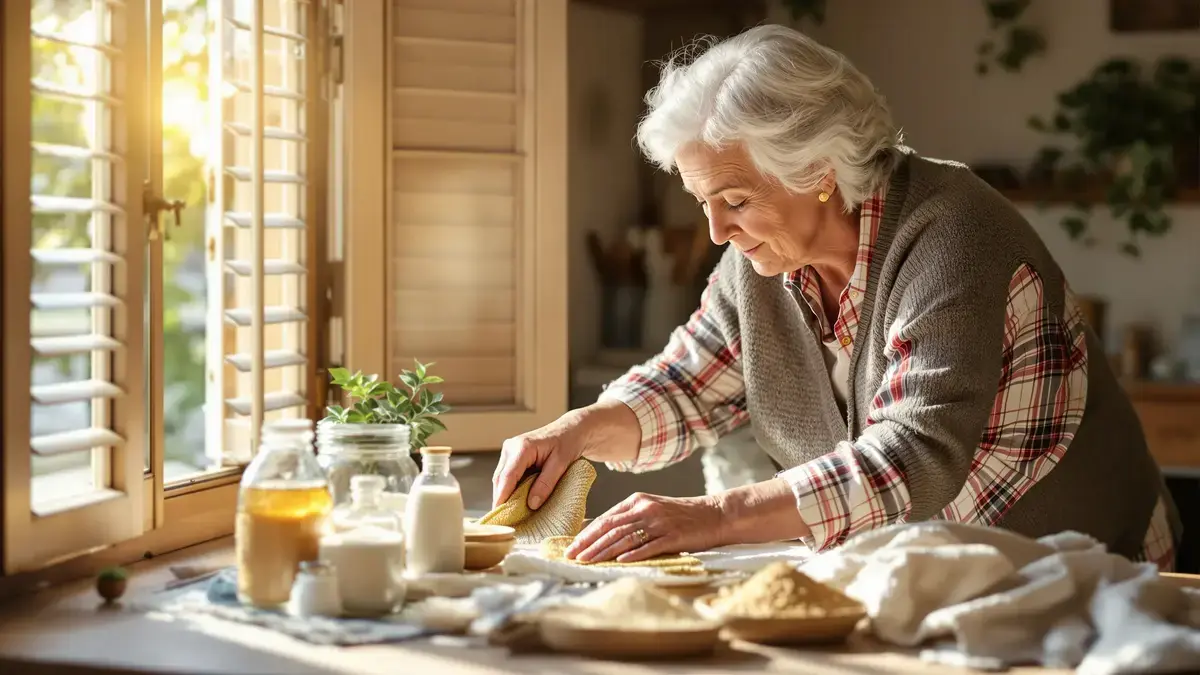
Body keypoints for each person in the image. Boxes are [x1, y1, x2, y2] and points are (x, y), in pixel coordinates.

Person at [491, 24, 1182, 570]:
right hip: (930, 577)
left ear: (820, 171)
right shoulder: (755, 262)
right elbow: (685, 383)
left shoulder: (955, 234)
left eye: (734, 200)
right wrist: (573, 430)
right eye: (703, 201)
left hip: (1083, 569)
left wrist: (710, 516)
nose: (715, 230)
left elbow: (913, 457)